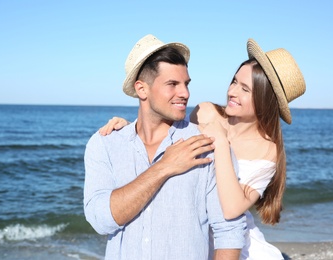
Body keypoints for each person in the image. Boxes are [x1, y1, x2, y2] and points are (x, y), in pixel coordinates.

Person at [99, 38, 306, 259]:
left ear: (266, 100)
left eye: (245, 89)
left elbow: (231, 208)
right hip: (198, 242)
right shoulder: (206, 112)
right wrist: (132, 129)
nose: (232, 91)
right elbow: (171, 137)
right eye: (234, 81)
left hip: (240, 248)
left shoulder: (267, 149)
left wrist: (221, 142)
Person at [83, 34, 246, 260]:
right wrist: (164, 167)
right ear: (142, 90)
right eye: (172, 84)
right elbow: (100, 220)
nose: (185, 94)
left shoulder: (206, 144)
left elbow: (229, 231)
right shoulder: (105, 144)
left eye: (186, 84)